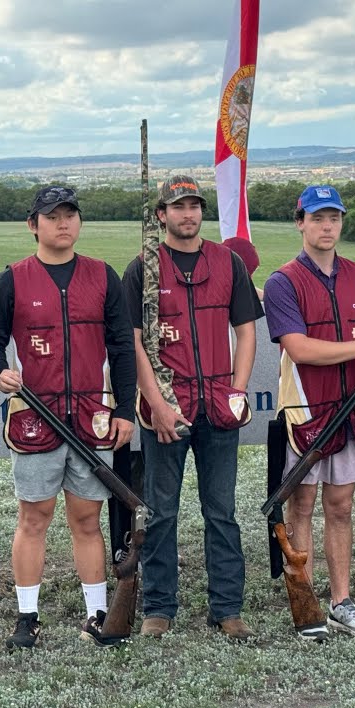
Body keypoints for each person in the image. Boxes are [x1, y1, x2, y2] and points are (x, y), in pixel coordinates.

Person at [0, 186, 137, 648]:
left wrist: (124, 410)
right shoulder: (12, 279)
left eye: (70, 214)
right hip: (35, 417)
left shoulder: (102, 276)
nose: (63, 223)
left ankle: (97, 614)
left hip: (92, 417)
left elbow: (122, 347)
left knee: (87, 519)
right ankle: (27, 617)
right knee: (34, 517)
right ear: (33, 225)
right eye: (52, 216)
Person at [122, 174, 262, 640]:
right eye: (178, 206)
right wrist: (156, 402)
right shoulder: (143, 269)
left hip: (218, 405)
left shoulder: (228, 263)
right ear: (161, 215)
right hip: (167, 408)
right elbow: (133, 343)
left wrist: (237, 390)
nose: (188, 214)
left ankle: (227, 607)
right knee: (161, 511)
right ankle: (159, 607)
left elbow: (246, 331)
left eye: (194, 206)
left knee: (221, 511)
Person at [263, 185, 355, 639]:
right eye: (317, 218)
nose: (327, 226)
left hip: (352, 407)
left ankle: (341, 602)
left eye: (334, 218)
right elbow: (300, 349)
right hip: (304, 409)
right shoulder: (282, 282)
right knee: (301, 506)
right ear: (300, 222)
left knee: (341, 506)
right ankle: (304, 602)